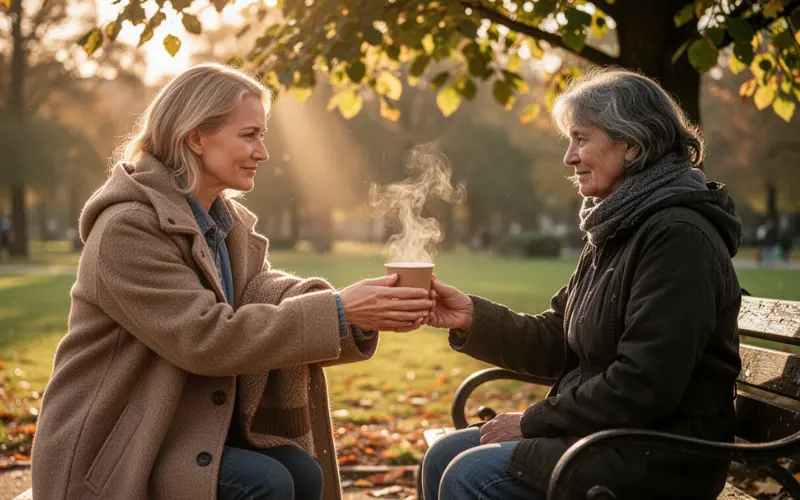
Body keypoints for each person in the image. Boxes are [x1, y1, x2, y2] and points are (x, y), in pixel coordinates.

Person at [31, 63, 433, 500]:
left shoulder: (229, 224)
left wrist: (358, 314)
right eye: (249, 135)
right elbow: (206, 337)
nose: (263, 152)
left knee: (303, 471)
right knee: (267, 482)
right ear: (196, 137)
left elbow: (260, 297)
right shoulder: (127, 228)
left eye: (263, 135)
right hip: (118, 449)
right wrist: (339, 310)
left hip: (186, 428)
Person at [421, 69, 743, 500]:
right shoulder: (619, 227)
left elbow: (645, 384)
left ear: (632, 145)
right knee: (443, 455)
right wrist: (472, 317)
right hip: (609, 436)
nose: (568, 158)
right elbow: (560, 338)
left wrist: (532, 422)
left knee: (471, 473)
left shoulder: (677, 236)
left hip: (661, 454)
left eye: (581, 139)